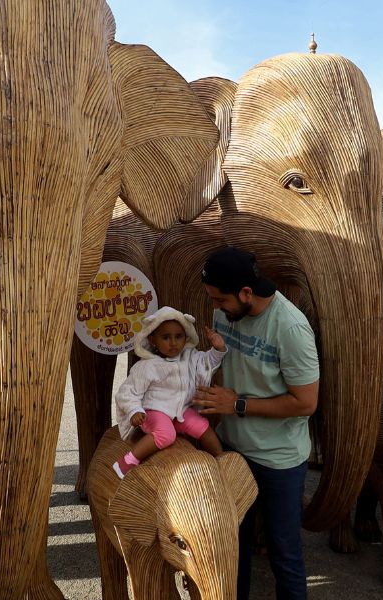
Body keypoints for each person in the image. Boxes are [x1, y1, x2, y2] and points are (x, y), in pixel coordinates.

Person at [194, 247, 319, 600]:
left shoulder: (290, 327)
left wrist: (237, 404)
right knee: (234, 548)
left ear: (247, 293)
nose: (216, 307)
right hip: (233, 448)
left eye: (220, 299)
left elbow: (306, 402)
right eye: (212, 299)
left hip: (279, 460)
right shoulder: (225, 316)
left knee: (285, 555)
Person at [112, 306, 226, 478]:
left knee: (203, 427)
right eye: (166, 337)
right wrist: (134, 410)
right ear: (153, 339)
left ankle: (222, 461)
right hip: (154, 411)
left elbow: (206, 364)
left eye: (178, 336)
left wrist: (217, 349)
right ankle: (127, 461)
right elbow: (128, 392)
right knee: (166, 435)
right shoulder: (148, 366)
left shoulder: (189, 357)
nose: (173, 342)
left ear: (186, 337)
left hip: (180, 411)